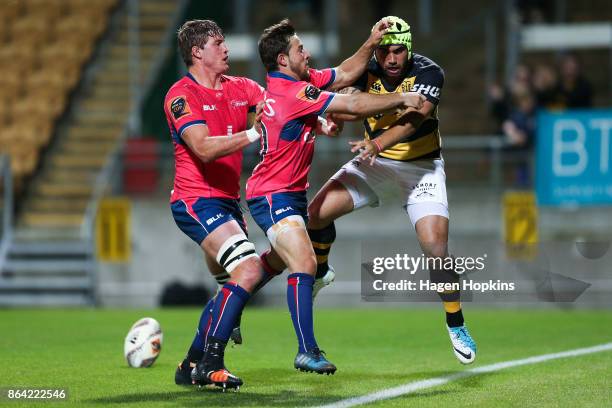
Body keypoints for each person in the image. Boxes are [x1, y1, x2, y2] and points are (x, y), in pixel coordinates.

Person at [246, 18, 425, 375]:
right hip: (272, 194)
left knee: (268, 265)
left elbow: (344, 73)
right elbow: (353, 107)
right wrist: (403, 96)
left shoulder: (301, 82)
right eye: (300, 48)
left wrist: (372, 41)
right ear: (283, 59)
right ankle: (306, 350)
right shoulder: (294, 91)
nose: (307, 52)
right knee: (304, 263)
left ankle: (224, 312)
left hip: (290, 194)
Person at [306, 16, 478, 365]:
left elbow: (416, 116)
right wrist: (335, 119)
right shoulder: (367, 70)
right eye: (385, 51)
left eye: (398, 51)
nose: (391, 59)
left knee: (435, 248)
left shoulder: (430, 72)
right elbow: (349, 100)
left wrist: (378, 142)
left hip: (421, 167)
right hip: (375, 164)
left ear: (409, 50)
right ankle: (322, 270)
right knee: (315, 213)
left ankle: (456, 322)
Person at [164, 19, 274, 390]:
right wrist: (254, 132)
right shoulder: (180, 95)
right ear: (197, 52)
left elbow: (273, 105)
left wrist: (319, 118)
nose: (226, 49)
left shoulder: (240, 87)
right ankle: (212, 363)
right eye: (218, 42)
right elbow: (203, 148)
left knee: (231, 286)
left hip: (228, 203)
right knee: (249, 270)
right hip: (195, 200)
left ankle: (190, 364)